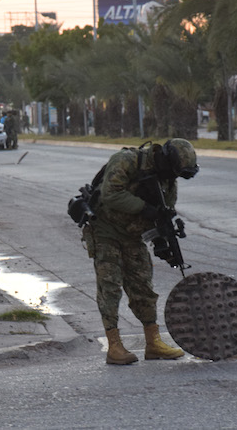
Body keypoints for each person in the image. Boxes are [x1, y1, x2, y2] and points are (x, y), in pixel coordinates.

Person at [85, 139, 199, 365]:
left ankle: (153, 343)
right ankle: (114, 346)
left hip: (132, 235)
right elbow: (111, 194)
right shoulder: (128, 161)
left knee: (143, 286)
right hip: (105, 229)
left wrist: (162, 241)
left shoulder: (167, 180)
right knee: (110, 286)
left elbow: (162, 213)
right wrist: (144, 209)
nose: (174, 178)